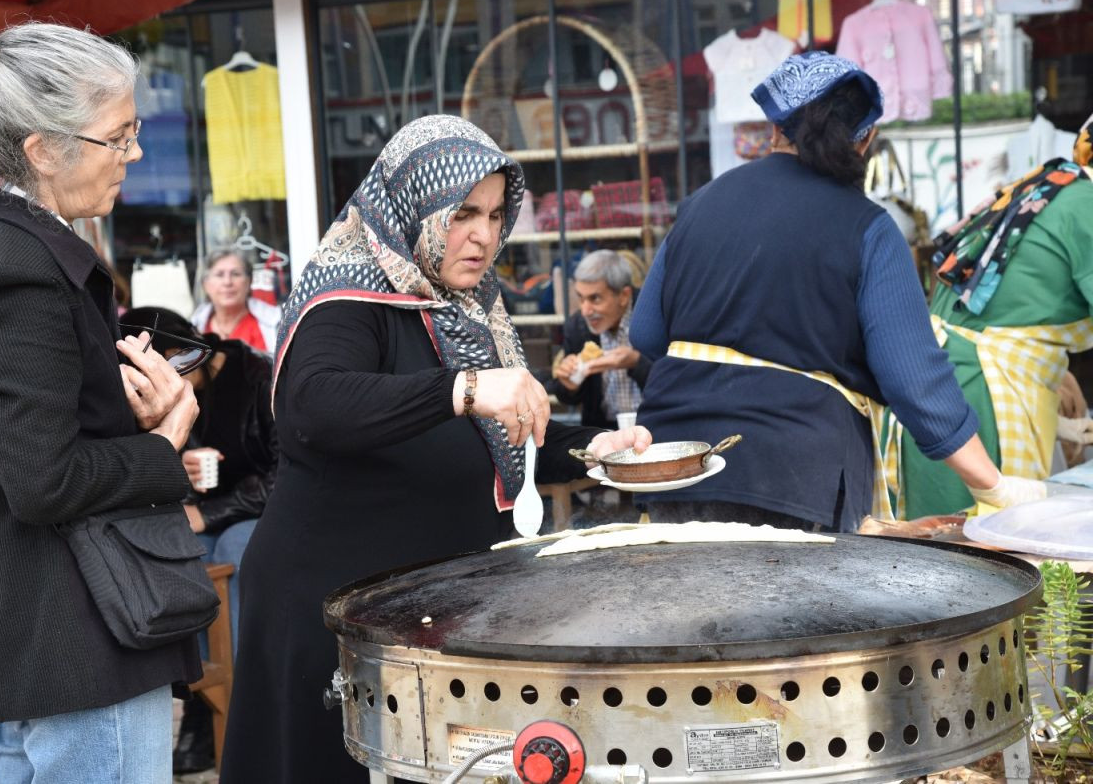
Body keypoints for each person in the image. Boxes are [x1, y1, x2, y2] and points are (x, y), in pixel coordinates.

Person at [219, 115, 651, 783]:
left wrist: (601, 448)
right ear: (415, 204)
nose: (482, 234)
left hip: (428, 620)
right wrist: (465, 387)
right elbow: (312, 408)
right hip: (331, 617)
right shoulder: (348, 293)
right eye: (461, 213)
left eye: (493, 213)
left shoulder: (470, 303)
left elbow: (503, 434)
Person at [0, 11, 201, 783]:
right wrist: (159, 446)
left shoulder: (6, 249)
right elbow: (42, 481)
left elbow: (35, 443)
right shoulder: (11, 267)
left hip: (58, 629)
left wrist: (122, 414)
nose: (135, 153)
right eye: (119, 136)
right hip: (77, 630)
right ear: (43, 150)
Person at [629, 51, 1041, 533]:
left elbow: (647, 332)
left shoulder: (701, 203)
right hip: (796, 475)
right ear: (866, 140)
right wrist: (993, 486)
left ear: (774, 130)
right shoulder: (868, 227)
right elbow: (914, 381)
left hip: (676, 464)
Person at [897, 112, 1093, 517]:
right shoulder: (1085, 205)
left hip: (942, 384)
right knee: (978, 559)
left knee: (941, 557)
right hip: (979, 397)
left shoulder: (1052, 183)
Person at [119, 306, 277, 774]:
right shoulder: (166, 396)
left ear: (181, 355)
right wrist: (180, 467)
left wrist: (207, 513)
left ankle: (240, 699)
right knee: (184, 558)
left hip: (268, 510)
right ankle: (204, 698)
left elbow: (284, 472)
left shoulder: (258, 376)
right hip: (207, 515)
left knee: (231, 550)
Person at [551, 249, 652, 429]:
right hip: (604, 432)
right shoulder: (577, 328)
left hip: (653, 426)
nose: (585, 311)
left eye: (595, 299)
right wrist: (569, 382)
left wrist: (636, 363)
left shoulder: (653, 317)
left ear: (624, 296)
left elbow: (675, 383)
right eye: (580, 298)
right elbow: (567, 397)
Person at [191, 248, 281, 353]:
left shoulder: (277, 324)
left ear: (249, 281)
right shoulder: (195, 327)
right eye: (219, 275)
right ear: (205, 284)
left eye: (236, 274)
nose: (227, 282)